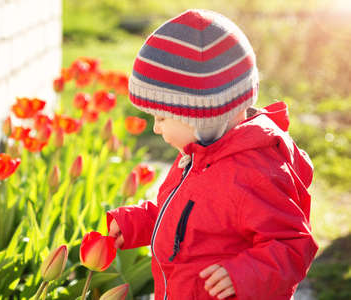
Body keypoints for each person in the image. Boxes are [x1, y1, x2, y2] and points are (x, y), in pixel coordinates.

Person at [106, 9, 318, 300]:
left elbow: (292, 245)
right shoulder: (199, 157)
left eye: (163, 118)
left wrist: (245, 274)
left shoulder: (254, 173)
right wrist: (136, 223)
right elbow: (185, 219)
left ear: (203, 117)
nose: (155, 128)